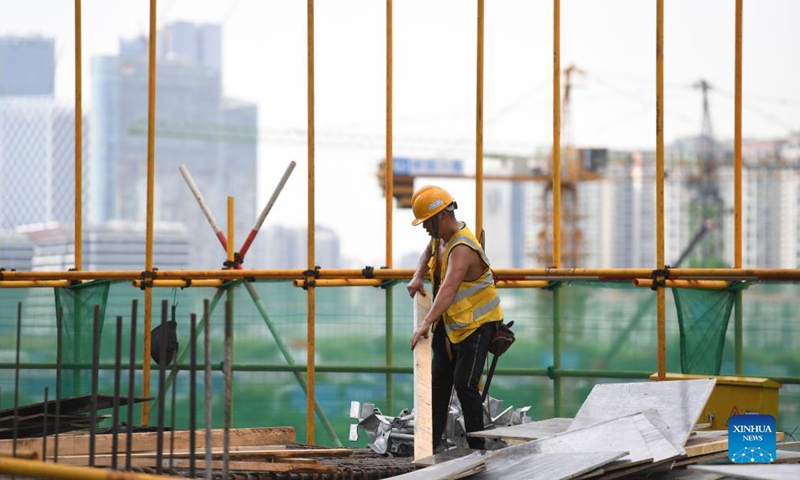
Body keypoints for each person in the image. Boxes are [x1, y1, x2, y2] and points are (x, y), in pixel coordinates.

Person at [407, 185, 503, 451]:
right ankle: (430, 449)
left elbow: (449, 288)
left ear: (441, 216)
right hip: (452, 326)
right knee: (438, 386)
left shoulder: (462, 247)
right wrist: (418, 275)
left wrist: (426, 323)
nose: (425, 228)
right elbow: (428, 251)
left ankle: (477, 451)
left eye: (427, 222)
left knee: (465, 386)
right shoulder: (442, 237)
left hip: (476, 327)